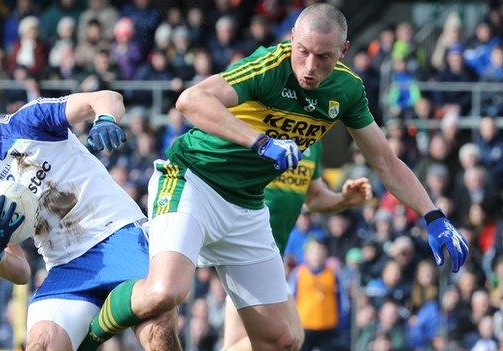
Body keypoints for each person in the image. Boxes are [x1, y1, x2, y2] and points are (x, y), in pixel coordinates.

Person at [84, 3, 468, 350]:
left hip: (247, 206)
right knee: (166, 292)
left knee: (283, 339)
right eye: (303, 51)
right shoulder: (272, 65)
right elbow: (191, 101)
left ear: (344, 52)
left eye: (324, 57)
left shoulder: (347, 90)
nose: (310, 66)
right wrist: (261, 142)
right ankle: (86, 336)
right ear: (291, 41)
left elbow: (385, 160)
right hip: (193, 181)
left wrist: (432, 215)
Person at [0, 85, 179, 351]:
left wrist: (105, 119)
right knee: (41, 345)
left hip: (117, 234)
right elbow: (21, 273)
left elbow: (107, 98)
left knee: (157, 333)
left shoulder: (27, 122)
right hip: (65, 266)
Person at [223, 141, 372, 350]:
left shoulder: (315, 142)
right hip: (248, 252)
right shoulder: (262, 125)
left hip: (272, 258)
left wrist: (345, 199)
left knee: (279, 339)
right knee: (286, 337)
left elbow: (315, 198)